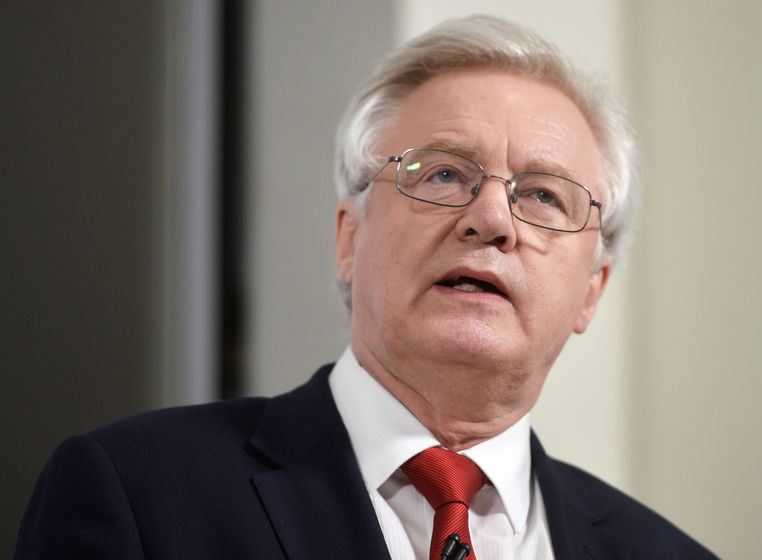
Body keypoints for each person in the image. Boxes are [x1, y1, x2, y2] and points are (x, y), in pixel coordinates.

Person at [14, 14, 718, 560]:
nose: (491, 219)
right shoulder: (137, 492)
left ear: (592, 290)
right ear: (350, 237)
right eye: (442, 174)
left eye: (543, 196)